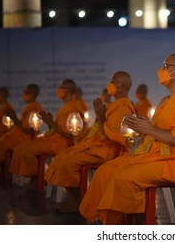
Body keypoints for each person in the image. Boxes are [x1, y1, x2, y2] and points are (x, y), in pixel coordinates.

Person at [79, 53, 175, 224]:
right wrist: (141, 128)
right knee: (106, 171)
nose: (161, 70)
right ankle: (111, 221)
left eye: (166, 66)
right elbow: (158, 131)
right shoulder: (167, 101)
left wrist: (150, 129)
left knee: (124, 176)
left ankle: (141, 222)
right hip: (156, 156)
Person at [44, 71, 135, 212]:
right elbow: (99, 129)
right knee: (62, 157)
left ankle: (77, 199)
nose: (109, 84)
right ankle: (76, 197)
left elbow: (113, 135)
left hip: (107, 151)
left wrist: (100, 115)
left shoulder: (123, 107)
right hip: (97, 147)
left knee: (66, 163)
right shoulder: (114, 105)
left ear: (122, 85)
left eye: (113, 81)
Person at [9, 79, 86, 182]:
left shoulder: (73, 108)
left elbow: (68, 134)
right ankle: (35, 178)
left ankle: (36, 178)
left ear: (67, 91)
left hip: (62, 143)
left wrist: (50, 122)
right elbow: (58, 129)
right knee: (22, 147)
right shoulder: (66, 107)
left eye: (61, 88)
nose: (59, 90)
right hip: (54, 139)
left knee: (26, 149)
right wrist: (50, 123)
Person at [0, 84, 43, 177]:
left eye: (27, 92)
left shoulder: (34, 108)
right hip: (13, 135)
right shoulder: (29, 106)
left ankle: (0, 172)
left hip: (21, 138)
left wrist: (13, 118)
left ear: (34, 94)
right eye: (25, 92)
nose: (24, 94)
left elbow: (27, 130)